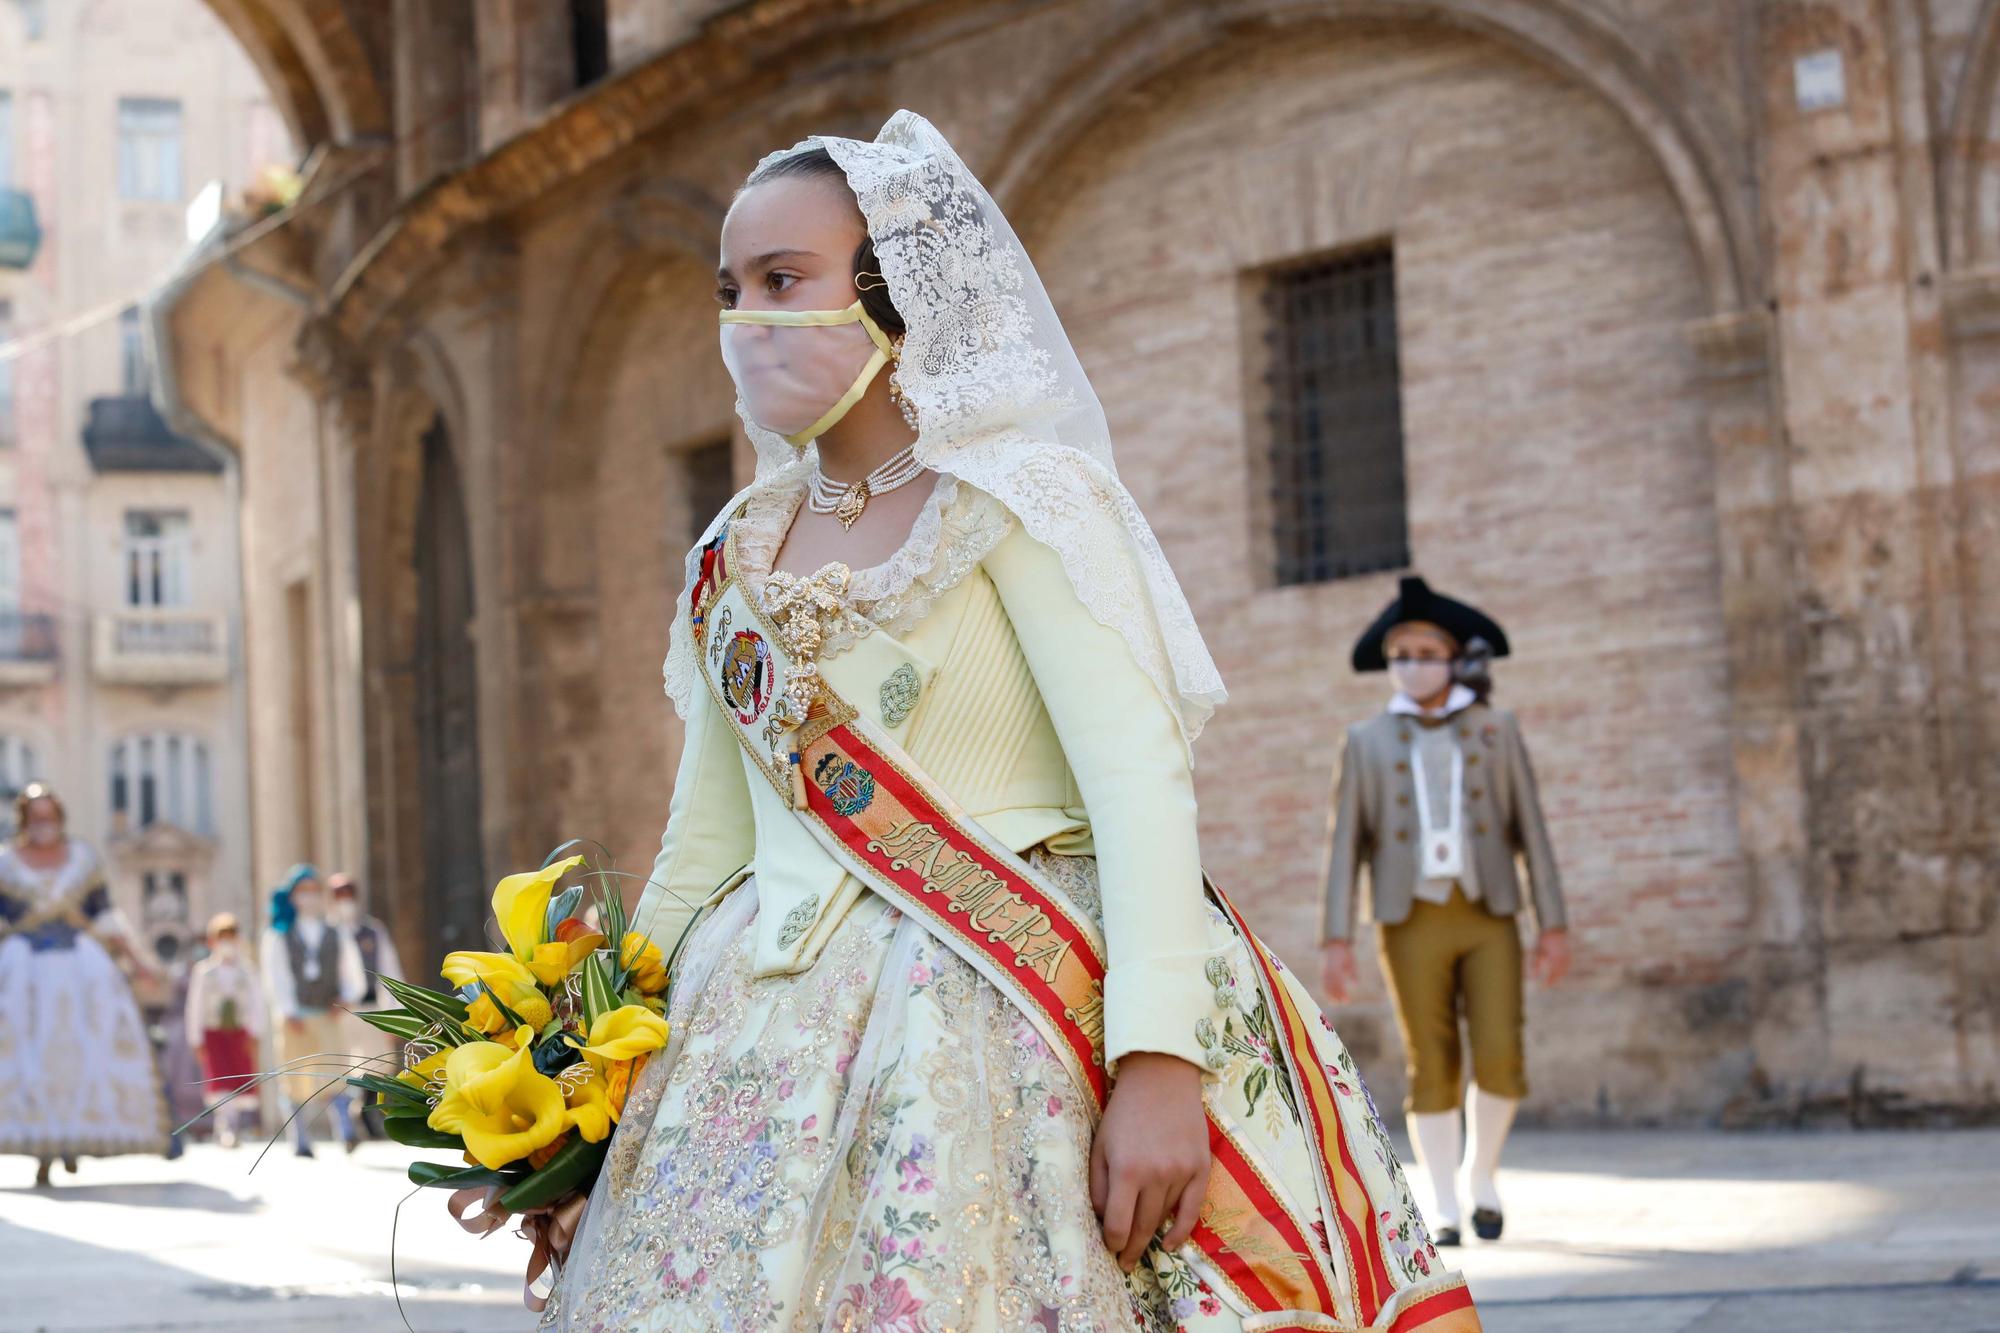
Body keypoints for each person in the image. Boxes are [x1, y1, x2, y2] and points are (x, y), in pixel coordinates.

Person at [528, 112, 1481, 1331]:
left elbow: (1139, 781)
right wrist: (589, 1098)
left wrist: (1156, 1063)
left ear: (890, 294)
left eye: (784, 280)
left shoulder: (1021, 501)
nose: (749, 321)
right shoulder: (730, 552)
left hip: (1008, 1018)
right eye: (731, 290)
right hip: (752, 1037)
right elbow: (700, 848)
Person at [1319, 577, 1571, 1245]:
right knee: (1429, 1058)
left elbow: (1532, 830)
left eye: (1426, 651)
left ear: (1455, 658)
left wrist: (1553, 922)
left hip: (1488, 911)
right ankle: (1443, 1202)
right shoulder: (1366, 739)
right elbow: (1346, 842)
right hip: (1409, 918)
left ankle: (1481, 1174)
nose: (1411, 664)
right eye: (1400, 653)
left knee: (1500, 1051)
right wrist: (1336, 937)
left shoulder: (1497, 728)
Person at [0, 783, 168, 1185]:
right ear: (25, 822)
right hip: (24, 975)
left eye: (50, 818)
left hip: (81, 970)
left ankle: (74, 1142)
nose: (44, 826)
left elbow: (107, 916)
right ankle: (42, 1151)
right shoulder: (6, 863)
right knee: (29, 1058)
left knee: (85, 1057)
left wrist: (138, 962)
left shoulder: (82, 859)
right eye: (36, 819)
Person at [258, 864, 365, 1156]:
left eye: (313, 891)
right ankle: (300, 1139)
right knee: (294, 1077)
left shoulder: (334, 932)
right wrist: (287, 1010)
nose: (309, 897)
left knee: (334, 1072)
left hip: (326, 1012)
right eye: (302, 891)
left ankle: (344, 1130)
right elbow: (276, 976)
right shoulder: (279, 935)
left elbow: (350, 968)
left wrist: (347, 997)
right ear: (292, 896)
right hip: (295, 1017)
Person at [327, 871, 402, 1138]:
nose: (344, 900)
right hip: (342, 1010)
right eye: (339, 895)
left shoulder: (373, 930)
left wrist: (394, 1012)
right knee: (347, 1064)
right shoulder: (328, 934)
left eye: (348, 894)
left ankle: (366, 1109)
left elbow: (389, 970)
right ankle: (350, 1118)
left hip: (372, 1007)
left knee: (378, 1064)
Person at [185, 912, 265, 1148]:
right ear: (212, 941)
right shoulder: (204, 972)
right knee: (220, 1081)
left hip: (239, 1033)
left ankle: (233, 1124)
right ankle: (225, 1126)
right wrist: (196, 1039)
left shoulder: (247, 970)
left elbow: (256, 1003)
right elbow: (195, 1007)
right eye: (222, 938)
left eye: (231, 937)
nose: (227, 943)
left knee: (238, 1081)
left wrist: (255, 1033)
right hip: (214, 1033)